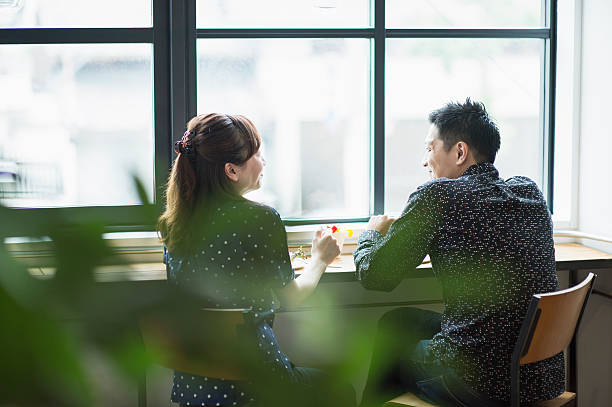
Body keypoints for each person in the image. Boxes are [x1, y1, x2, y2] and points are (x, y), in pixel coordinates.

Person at [354, 99, 564, 407]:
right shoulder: (529, 190)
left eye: (429, 148)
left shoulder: (438, 197)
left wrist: (371, 234)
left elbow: (376, 275)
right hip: (541, 378)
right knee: (399, 322)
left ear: (460, 151)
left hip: (479, 381)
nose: (425, 162)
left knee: (392, 344)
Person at [158, 113, 355, 407]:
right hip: (255, 384)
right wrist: (320, 259)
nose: (265, 162)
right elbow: (291, 300)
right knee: (342, 391)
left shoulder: (174, 224)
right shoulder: (260, 219)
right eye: (258, 155)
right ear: (231, 170)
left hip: (194, 390)